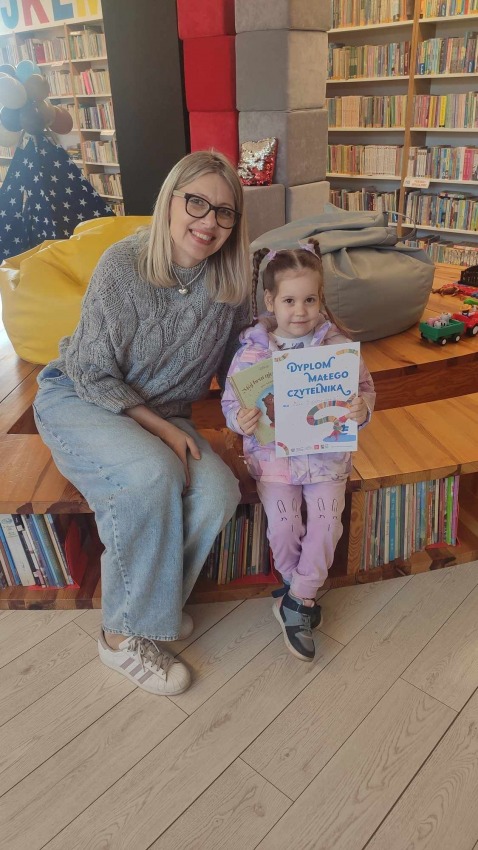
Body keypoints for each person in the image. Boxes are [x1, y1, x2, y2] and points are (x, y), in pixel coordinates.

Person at [33, 150, 251, 695]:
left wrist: (270, 395)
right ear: (170, 201)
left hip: (164, 415)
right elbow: (90, 371)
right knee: (153, 473)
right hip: (82, 398)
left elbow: (240, 366)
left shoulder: (231, 283)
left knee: (218, 492)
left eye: (224, 212)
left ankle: (152, 607)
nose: (208, 222)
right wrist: (164, 429)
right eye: (196, 203)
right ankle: (120, 635)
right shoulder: (122, 265)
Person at [221, 242, 375, 662]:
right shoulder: (253, 352)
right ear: (270, 301)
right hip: (274, 461)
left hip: (327, 460)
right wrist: (240, 420)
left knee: (327, 526)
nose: (301, 311)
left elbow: (364, 388)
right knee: (284, 528)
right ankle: (298, 596)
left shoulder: (337, 347)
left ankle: (298, 601)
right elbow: (232, 402)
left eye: (310, 299)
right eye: (289, 300)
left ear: (320, 299)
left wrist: (362, 409)